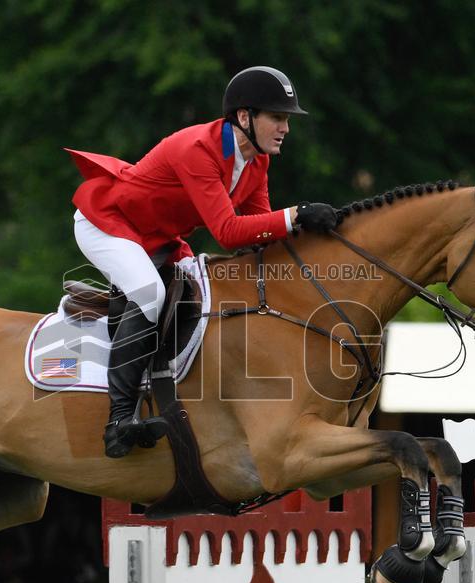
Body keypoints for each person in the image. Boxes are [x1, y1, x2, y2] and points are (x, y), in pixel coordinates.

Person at [67, 65, 338, 459]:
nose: (286, 128)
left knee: (197, 292)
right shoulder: (198, 149)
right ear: (245, 118)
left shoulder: (258, 160)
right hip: (107, 223)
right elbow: (229, 231)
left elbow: (259, 231)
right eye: (277, 118)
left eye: (286, 119)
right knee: (150, 295)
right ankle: (119, 422)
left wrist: (307, 237)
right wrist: (295, 214)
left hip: (158, 237)